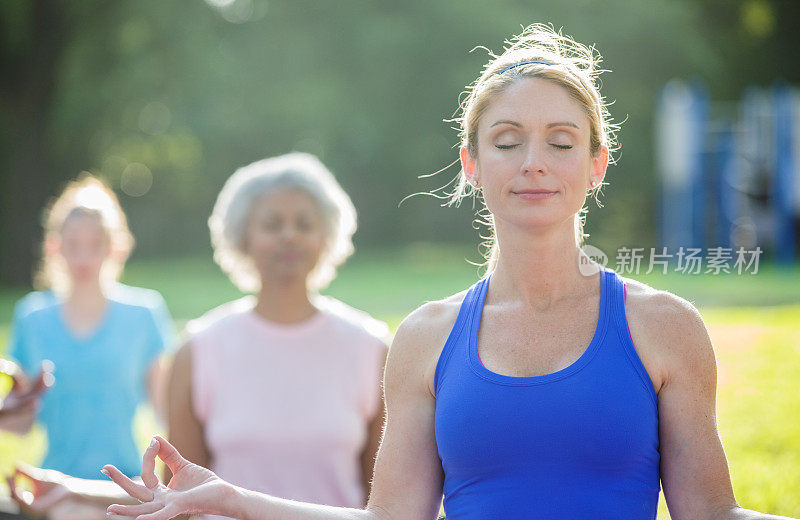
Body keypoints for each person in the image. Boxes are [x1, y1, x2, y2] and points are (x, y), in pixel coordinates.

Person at [100, 24, 796, 520]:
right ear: (472, 164)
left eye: (561, 141)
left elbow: (714, 514)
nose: (533, 162)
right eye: (506, 141)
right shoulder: (426, 339)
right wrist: (230, 497)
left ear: (595, 164)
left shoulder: (663, 327)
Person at [164, 152, 388, 518]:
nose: (289, 235)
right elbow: (178, 498)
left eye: (304, 223)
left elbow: (385, 501)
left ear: (326, 236)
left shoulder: (370, 348)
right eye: (272, 224)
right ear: (243, 237)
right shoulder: (198, 350)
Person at [6, 174, 176, 483]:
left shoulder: (144, 313)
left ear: (115, 248)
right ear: (54, 247)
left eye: (95, 244)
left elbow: (166, 411)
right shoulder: (32, 317)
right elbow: (21, 423)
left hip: (125, 484)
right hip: (56, 483)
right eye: (73, 244)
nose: (83, 257)